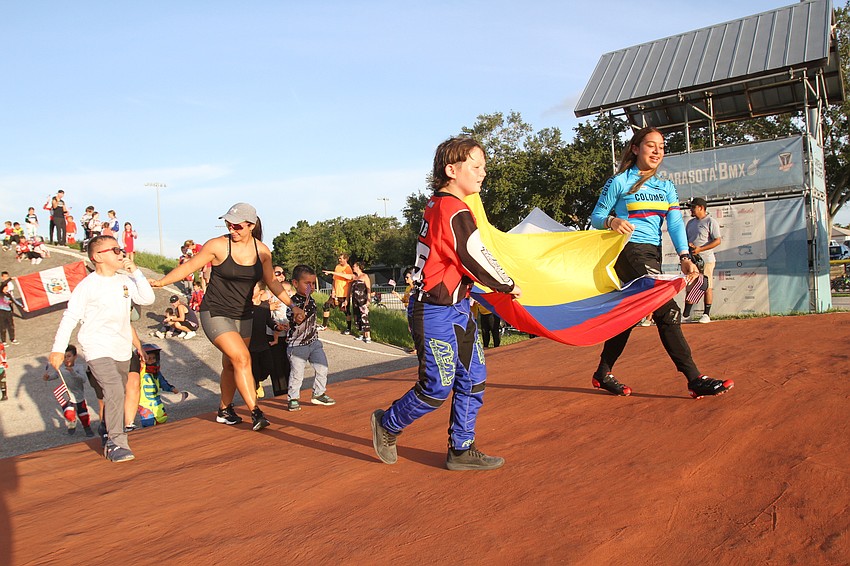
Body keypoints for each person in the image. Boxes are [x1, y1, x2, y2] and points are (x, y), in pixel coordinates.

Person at [370, 136, 521, 471]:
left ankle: (461, 449)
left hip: (459, 309)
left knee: (474, 377)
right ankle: (387, 424)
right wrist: (507, 284)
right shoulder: (453, 208)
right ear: (452, 170)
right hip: (434, 310)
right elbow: (472, 254)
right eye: (476, 166)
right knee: (437, 386)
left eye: (484, 167)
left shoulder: (442, 204)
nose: (483, 173)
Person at [589, 126, 734, 400]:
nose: (657, 151)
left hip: (652, 254)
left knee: (630, 315)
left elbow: (675, 224)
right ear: (635, 148)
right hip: (627, 251)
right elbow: (596, 216)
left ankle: (603, 372)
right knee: (667, 310)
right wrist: (611, 221)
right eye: (651, 145)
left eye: (662, 147)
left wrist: (684, 256)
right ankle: (694, 379)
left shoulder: (666, 187)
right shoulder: (619, 181)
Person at [149, 203, 303, 431]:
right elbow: (190, 266)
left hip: (244, 315)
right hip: (215, 312)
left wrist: (293, 306)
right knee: (242, 358)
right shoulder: (218, 246)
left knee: (231, 364)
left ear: (251, 225)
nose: (232, 229)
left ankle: (224, 409)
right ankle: (256, 412)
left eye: (238, 226)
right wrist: (161, 282)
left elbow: (272, 281)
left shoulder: (262, 252)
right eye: (229, 224)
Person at [50, 234, 156, 462]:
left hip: (121, 348)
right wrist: (58, 348)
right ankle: (117, 443)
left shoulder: (124, 281)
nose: (121, 253)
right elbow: (70, 316)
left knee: (118, 393)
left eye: (121, 249)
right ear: (98, 256)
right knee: (114, 389)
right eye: (115, 250)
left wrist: (136, 272)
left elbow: (147, 299)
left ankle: (106, 428)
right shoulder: (87, 286)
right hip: (96, 347)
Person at [286, 264, 335, 411]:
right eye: (307, 283)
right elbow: (291, 317)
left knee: (322, 367)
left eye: (313, 283)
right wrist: (297, 317)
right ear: (295, 283)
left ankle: (319, 393)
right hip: (297, 345)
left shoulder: (311, 300)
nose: (311, 287)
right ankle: (293, 397)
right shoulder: (292, 303)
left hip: (313, 342)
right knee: (297, 374)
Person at [42, 345, 95, 437]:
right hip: (67, 395)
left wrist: (73, 372)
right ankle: (72, 421)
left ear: (75, 356)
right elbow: (56, 375)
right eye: (64, 357)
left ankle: (87, 427)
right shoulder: (60, 367)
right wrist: (48, 378)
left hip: (78, 396)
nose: (66, 359)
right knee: (68, 413)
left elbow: (83, 379)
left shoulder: (79, 367)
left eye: (69, 356)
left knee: (83, 415)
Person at [683, 197, 722, 324]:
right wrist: (689, 247)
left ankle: (706, 314)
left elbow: (717, 240)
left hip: (706, 260)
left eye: (693, 207)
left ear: (701, 208)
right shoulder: (690, 223)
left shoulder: (711, 221)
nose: (691, 210)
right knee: (690, 286)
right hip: (692, 261)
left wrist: (701, 249)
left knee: (706, 286)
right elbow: (687, 240)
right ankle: (686, 315)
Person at [137, 343, 184, 427]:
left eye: (154, 358)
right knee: (148, 421)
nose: (152, 360)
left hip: (156, 401)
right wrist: (142, 361)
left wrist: (171, 388)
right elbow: (141, 368)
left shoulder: (157, 373)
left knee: (162, 418)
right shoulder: (141, 373)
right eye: (149, 358)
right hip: (144, 403)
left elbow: (163, 383)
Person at [320, 253, 353, 333]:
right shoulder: (337, 267)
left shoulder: (348, 268)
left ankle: (349, 328)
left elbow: (350, 283)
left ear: (346, 259)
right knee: (326, 305)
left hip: (343, 293)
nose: (339, 260)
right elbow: (334, 280)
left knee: (346, 311)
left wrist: (347, 297)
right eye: (339, 258)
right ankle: (324, 325)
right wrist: (333, 291)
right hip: (336, 293)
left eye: (341, 258)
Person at [349, 261, 372, 343]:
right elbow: (344, 275)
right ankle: (362, 334)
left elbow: (368, 289)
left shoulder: (364, 276)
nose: (353, 267)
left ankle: (368, 336)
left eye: (354, 266)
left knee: (364, 316)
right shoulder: (354, 277)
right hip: (355, 300)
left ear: (358, 267)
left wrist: (368, 299)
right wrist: (331, 273)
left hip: (362, 299)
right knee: (357, 316)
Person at [0, 279, 18, 345]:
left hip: (8, 312)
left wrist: (23, 307)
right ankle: (4, 341)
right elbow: (3, 283)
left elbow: (14, 301)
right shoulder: (0, 293)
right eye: (5, 287)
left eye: (7, 287)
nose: (7, 288)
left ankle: (12, 339)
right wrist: (10, 279)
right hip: (1, 313)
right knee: (3, 327)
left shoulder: (8, 294)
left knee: (11, 326)